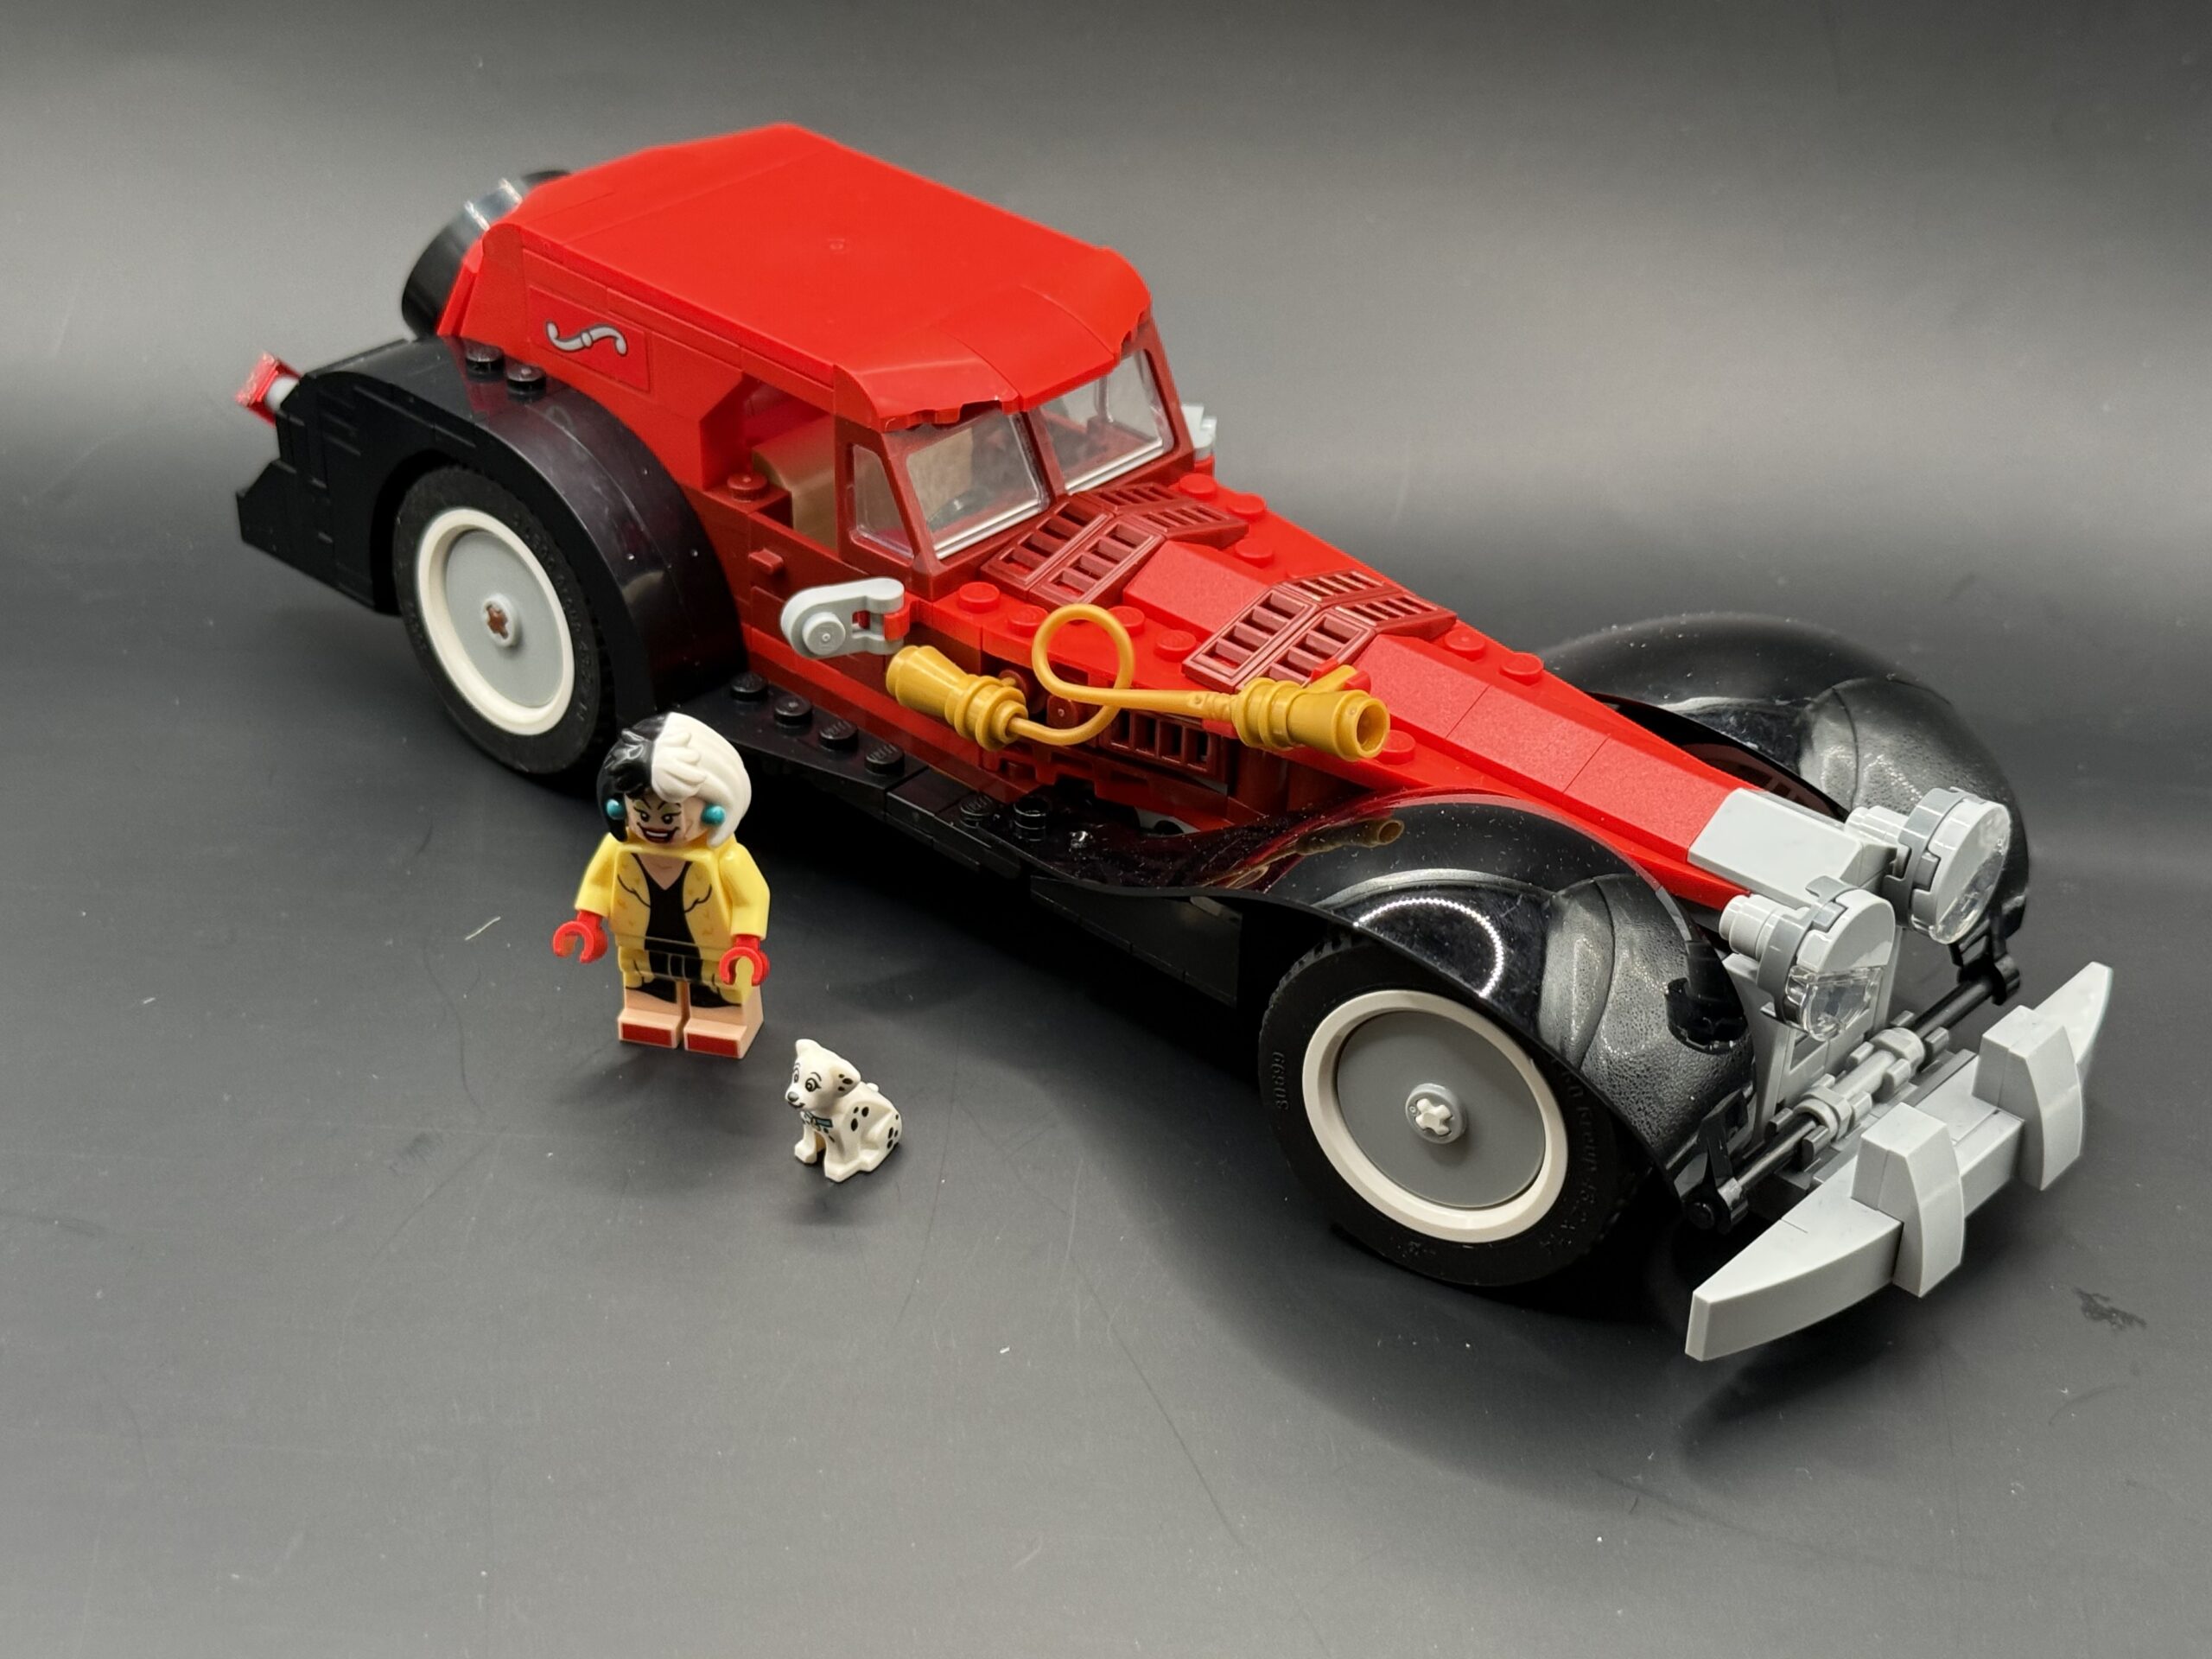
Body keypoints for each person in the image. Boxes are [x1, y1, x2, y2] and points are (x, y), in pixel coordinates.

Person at [550, 712, 771, 1058]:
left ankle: (723, 1022)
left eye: (669, 816)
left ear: (714, 807)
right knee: (644, 978)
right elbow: (599, 884)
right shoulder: (618, 849)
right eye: (642, 813)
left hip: (713, 951)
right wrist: (588, 921)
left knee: (717, 985)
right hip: (642, 944)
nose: (654, 825)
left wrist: (746, 941)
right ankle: (651, 1014)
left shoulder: (727, 858)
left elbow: (751, 897)